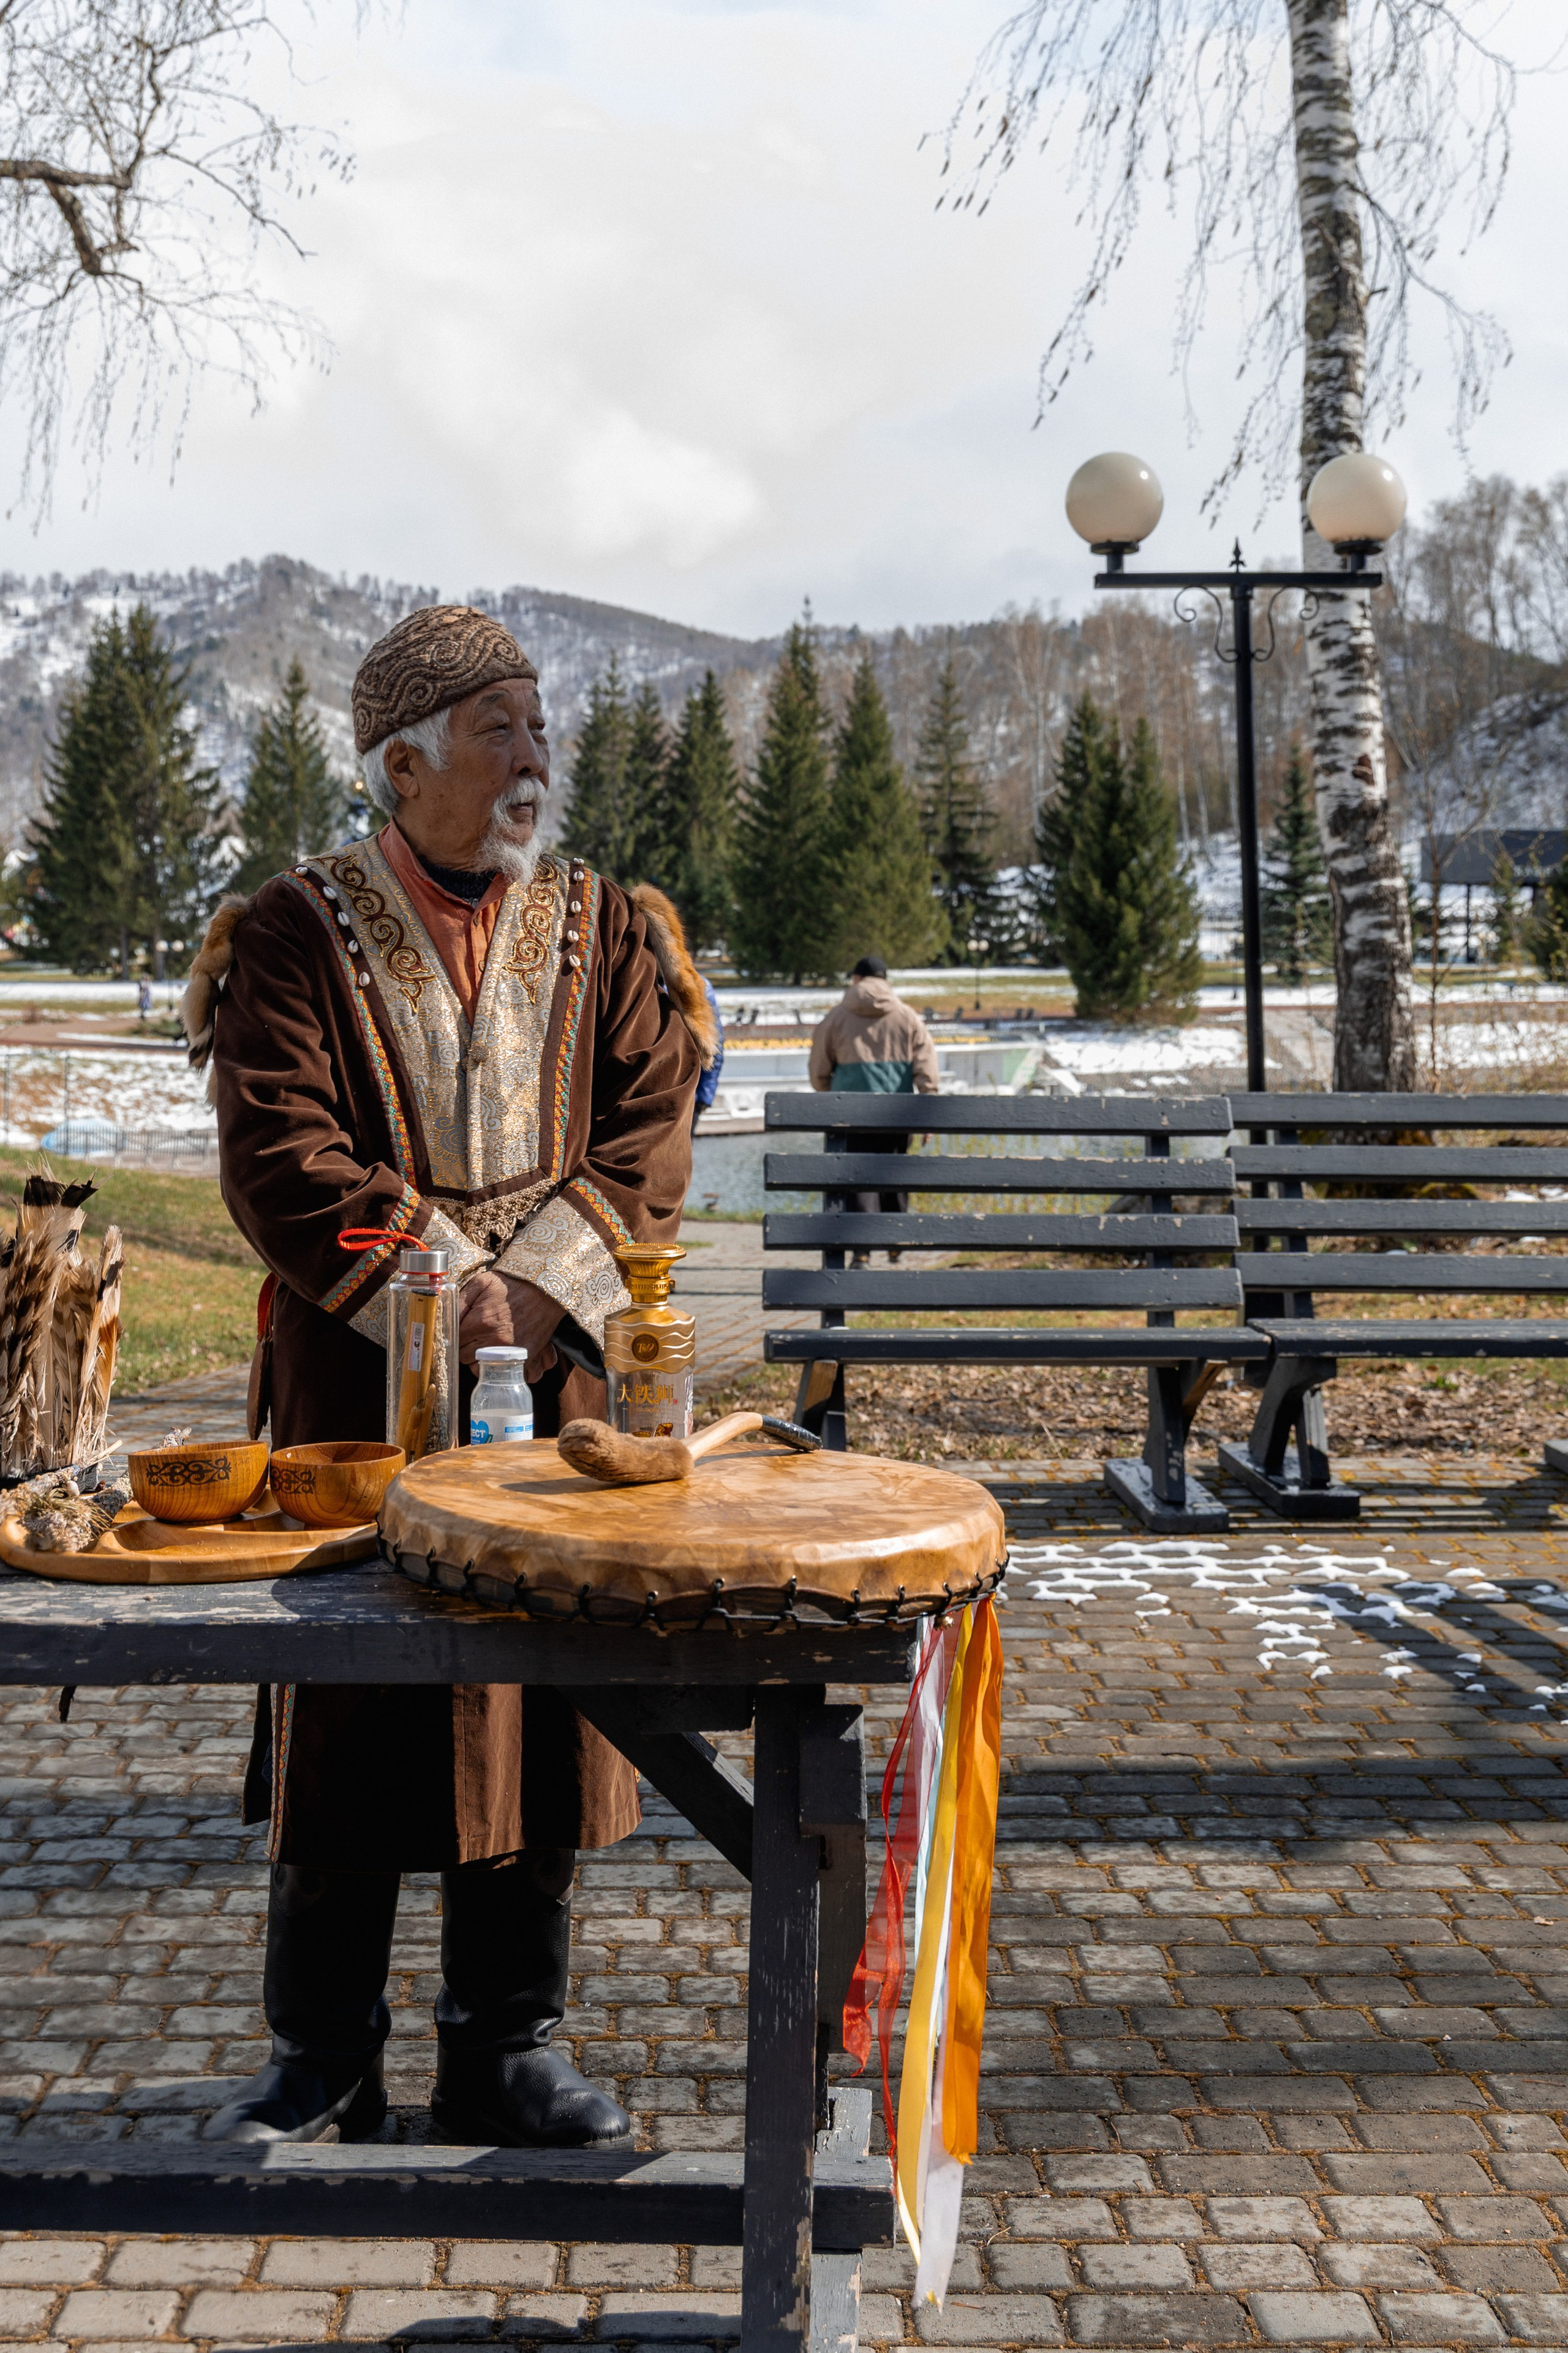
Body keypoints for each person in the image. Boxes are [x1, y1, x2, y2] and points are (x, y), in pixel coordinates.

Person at [185, 606, 716, 2152]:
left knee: (538, 1699)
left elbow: (650, 1129)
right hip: (356, 1388)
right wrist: (437, 1275)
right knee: (351, 1699)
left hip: (551, 1382)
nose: (535, 753)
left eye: (540, 723)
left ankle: (508, 2041)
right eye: (500, 727)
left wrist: (534, 1287)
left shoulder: (612, 926)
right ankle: (320, 2051)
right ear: (402, 762)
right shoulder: (295, 925)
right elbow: (277, 1145)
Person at [809, 956, 938, 1266]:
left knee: (857, 1179)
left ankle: (862, 1250)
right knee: (893, 1174)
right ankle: (895, 1242)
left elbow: (818, 1072)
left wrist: (831, 1092)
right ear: (885, 980)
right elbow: (926, 1066)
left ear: (856, 979)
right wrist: (927, 1107)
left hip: (849, 1114)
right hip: (897, 1114)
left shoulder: (837, 1017)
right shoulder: (907, 1017)